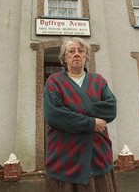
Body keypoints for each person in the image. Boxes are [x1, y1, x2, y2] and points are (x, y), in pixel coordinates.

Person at [43, 37, 119, 192]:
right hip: (65, 157)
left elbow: (110, 109)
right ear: (64, 58)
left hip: (98, 153)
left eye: (81, 51)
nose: (76, 54)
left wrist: (71, 111)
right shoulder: (54, 81)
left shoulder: (98, 80)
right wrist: (91, 123)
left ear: (86, 56)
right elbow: (54, 115)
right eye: (71, 51)